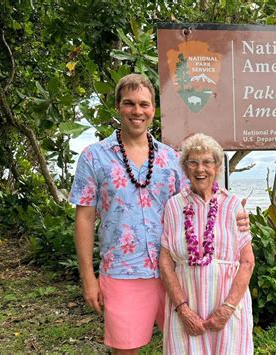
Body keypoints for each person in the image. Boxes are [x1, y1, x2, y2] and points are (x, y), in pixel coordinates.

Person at [69, 74, 249, 354]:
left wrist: (237, 216)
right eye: (129, 104)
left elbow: (202, 198)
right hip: (123, 273)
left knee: (192, 347)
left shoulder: (170, 158)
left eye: (144, 104)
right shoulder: (95, 156)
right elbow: (84, 218)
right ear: (117, 106)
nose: (137, 111)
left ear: (154, 109)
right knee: (126, 350)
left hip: (179, 275)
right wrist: (88, 278)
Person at [159, 133, 255, 355]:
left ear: (217, 167)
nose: (200, 169)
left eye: (207, 162)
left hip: (228, 308)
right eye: (193, 162)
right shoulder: (174, 206)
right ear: (185, 168)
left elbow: (247, 262)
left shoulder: (233, 206)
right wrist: (183, 309)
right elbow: (165, 263)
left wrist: (227, 309)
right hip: (185, 307)